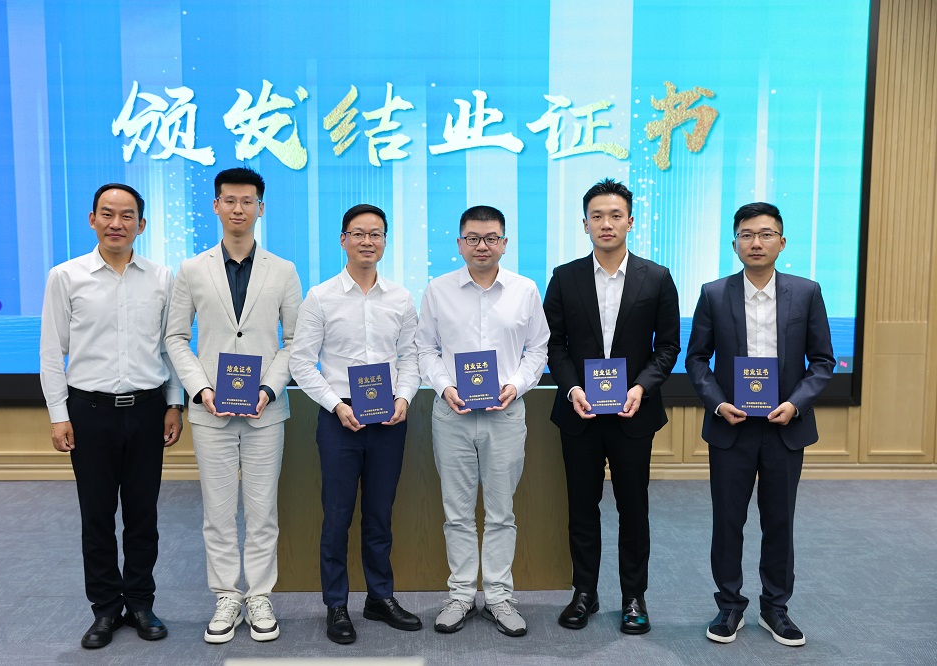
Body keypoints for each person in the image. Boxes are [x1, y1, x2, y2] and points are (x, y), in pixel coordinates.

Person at [40, 183, 184, 649]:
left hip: (147, 411)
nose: (116, 223)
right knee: (97, 516)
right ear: (92, 219)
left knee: (143, 515)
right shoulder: (65, 276)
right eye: (107, 214)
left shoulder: (162, 277)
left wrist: (174, 403)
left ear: (142, 224)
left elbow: (171, 347)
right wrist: (58, 415)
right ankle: (105, 608)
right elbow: (50, 352)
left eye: (126, 216)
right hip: (89, 412)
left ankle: (140, 602)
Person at [685, 202, 834, 647]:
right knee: (727, 521)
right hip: (732, 427)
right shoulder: (714, 293)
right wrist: (718, 403)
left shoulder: (806, 292)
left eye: (766, 234)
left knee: (779, 521)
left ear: (781, 242)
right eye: (746, 235)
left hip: (785, 427)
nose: (756, 242)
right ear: (734, 244)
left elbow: (822, 361)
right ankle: (729, 605)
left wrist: (795, 404)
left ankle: (776, 608)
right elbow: (697, 359)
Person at [165, 167, 302, 644]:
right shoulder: (192, 269)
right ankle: (226, 596)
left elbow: (295, 341)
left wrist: (267, 389)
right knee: (219, 514)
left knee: (262, 512)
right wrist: (201, 390)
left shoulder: (283, 270)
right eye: (230, 200)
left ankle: (259, 596)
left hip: (266, 411)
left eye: (247, 201)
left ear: (260, 208)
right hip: (211, 412)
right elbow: (176, 337)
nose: (238, 209)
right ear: (216, 206)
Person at [543, 179, 680, 633]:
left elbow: (668, 347)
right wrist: (571, 389)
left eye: (615, 215)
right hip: (580, 413)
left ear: (630, 221)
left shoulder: (656, 277)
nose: (606, 223)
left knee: (633, 508)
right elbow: (554, 345)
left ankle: (634, 596)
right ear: (584, 224)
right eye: (597, 216)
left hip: (632, 414)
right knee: (582, 508)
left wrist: (641, 387)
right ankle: (584, 592)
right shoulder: (565, 277)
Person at [290, 204, 423, 644]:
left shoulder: (400, 298)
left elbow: (411, 357)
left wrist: (404, 397)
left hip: (389, 418)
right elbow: (301, 363)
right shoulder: (320, 297)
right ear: (343, 239)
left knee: (380, 515)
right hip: (339, 418)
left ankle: (380, 598)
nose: (368, 241)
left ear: (385, 241)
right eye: (359, 233)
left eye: (376, 234)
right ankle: (336, 605)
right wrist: (335, 405)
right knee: (337, 516)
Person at [416, 205, 549, 638]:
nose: (482, 246)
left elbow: (538, 349)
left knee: (501, 511)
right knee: (456, 512)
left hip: (505, 414)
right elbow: (425, 349)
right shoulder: (438, 290)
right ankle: (459, 595)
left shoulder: (525, 290)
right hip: (452, 413)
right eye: (473, 238)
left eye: (491, 238)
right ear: (459, 244)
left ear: (504, 243)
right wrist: (444, 387)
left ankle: (498, 596)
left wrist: (516, 385)